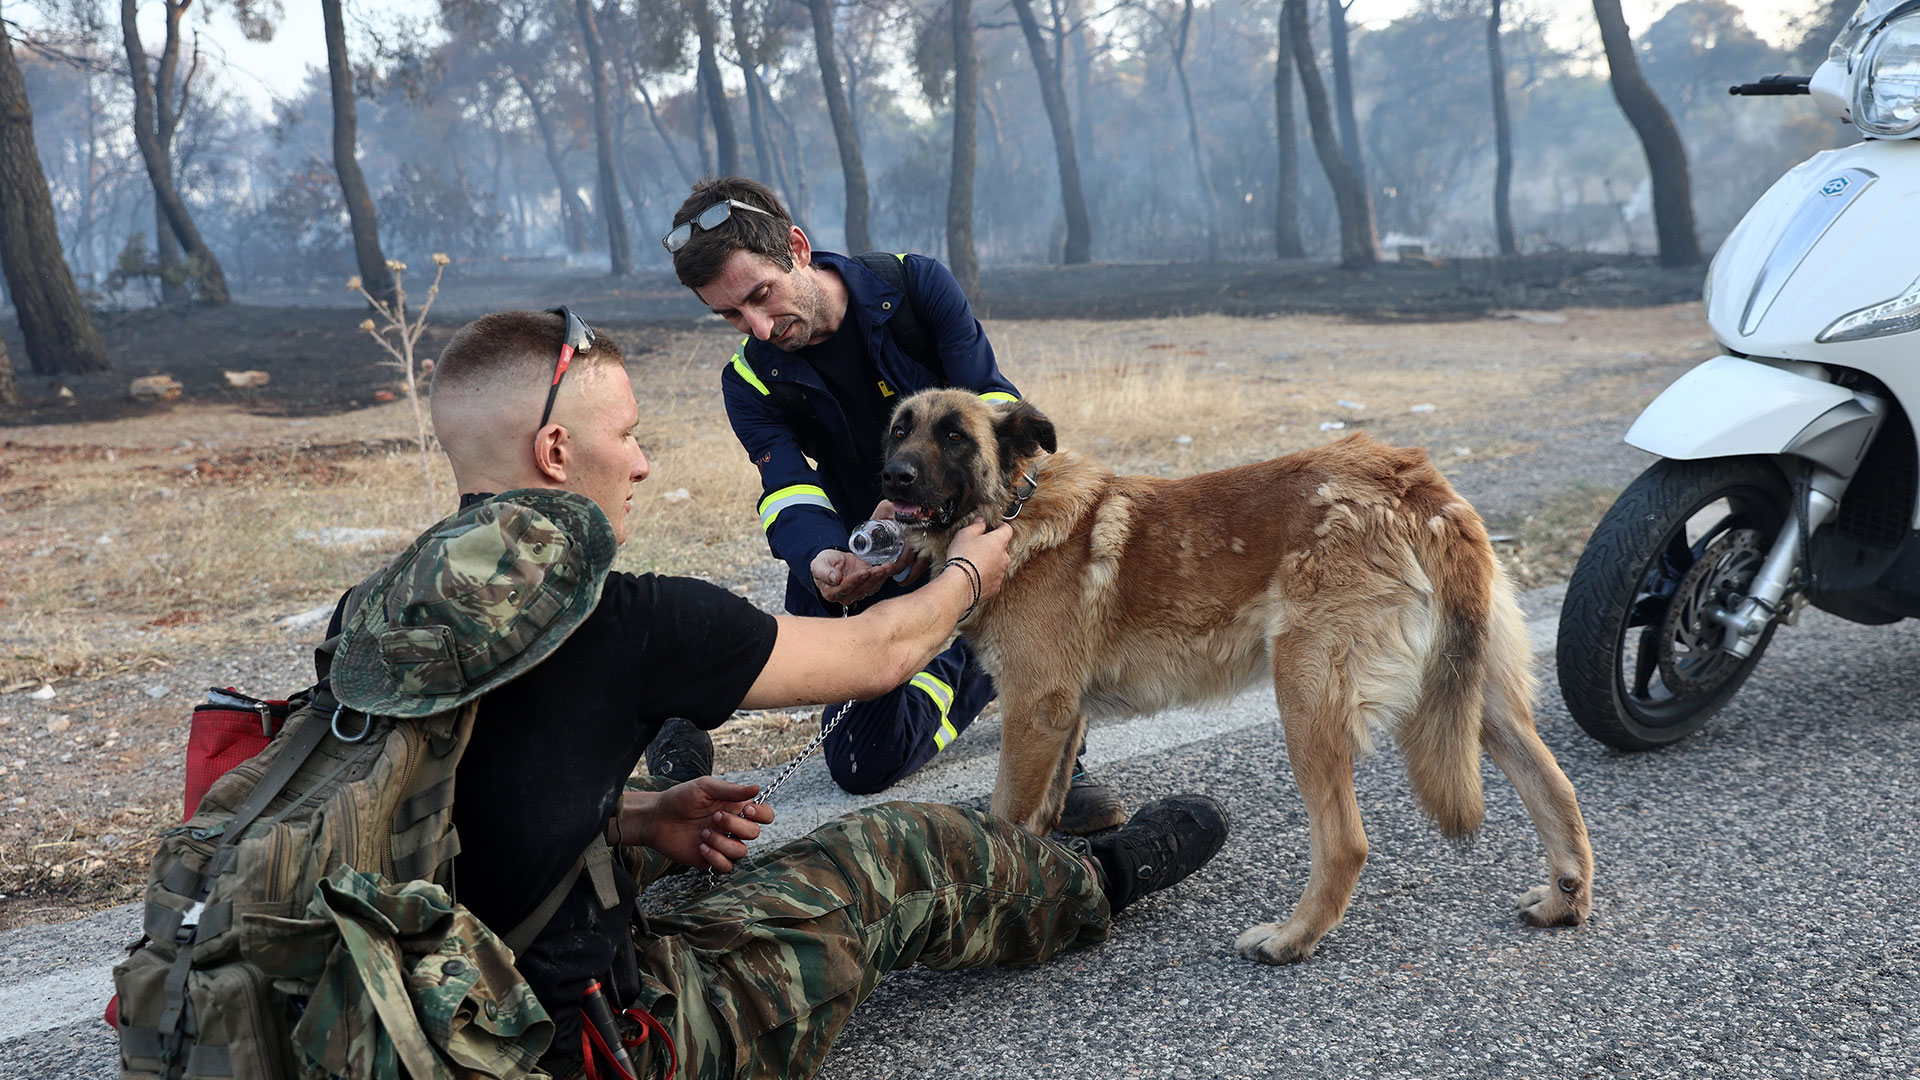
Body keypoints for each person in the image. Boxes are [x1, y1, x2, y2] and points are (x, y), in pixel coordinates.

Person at [329, 309, 1229, 1079]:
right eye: (630, 435)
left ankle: (654, 786)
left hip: (412, 1013)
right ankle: (1100, 878)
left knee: (652, 817)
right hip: (588, 1050)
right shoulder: (629, 620)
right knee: (897, 844)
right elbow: (879, 657)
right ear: (556, 450)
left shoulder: (366, 613)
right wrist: (966, 572)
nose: (641, 464)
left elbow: (452, 808)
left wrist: (638, 819)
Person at [664, 176, 1125, 833]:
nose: (758, 328)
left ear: (797, 247)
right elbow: (787, 489)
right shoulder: (747, 380)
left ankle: (1049, 744)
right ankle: (968, 665)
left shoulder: (913, 289)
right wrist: (822, 556)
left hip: (984, 538)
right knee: (857, 761)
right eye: (732, 317)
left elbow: (991, 412)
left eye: (760, 296)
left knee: (1030, 640)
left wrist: (952, 533)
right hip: (876, 568)